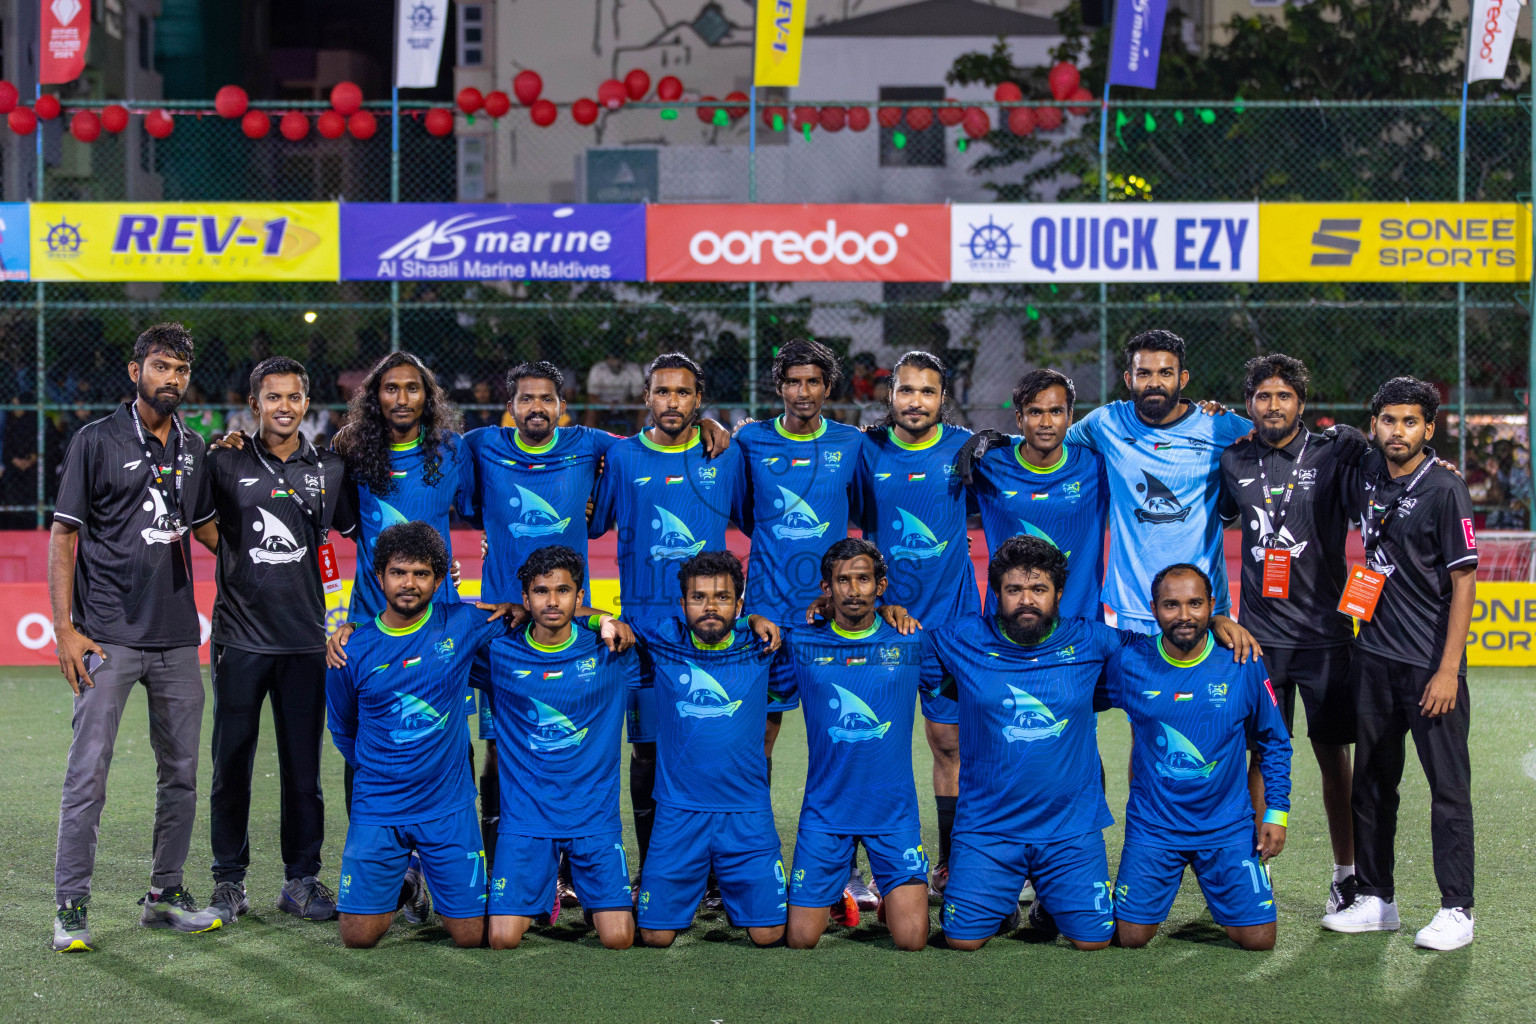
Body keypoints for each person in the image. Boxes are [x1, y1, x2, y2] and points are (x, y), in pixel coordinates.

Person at [918, 537, 1259, 951]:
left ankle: (1049, 902)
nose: (1027, 600)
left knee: (1093, 941)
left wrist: (1219, 621)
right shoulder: (959, 640)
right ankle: (1000, 903)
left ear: (1058, 594)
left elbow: (1162, 648)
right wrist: (886, 611)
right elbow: (890, 647)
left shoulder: (1094, 641)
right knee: (962, 941)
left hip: (1070, 828)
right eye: (1014, 590)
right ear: (996, 593)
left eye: (1039, 589)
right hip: (988, 826)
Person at [50, 322, 223, 952]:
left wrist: (274, 552)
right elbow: (64, 535)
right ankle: (71, 906)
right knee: (87, 774)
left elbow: (205, 529)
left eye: (180, 368)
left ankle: (164, 894)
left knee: (180, 773)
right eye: (160, 366)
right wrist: (65, 629)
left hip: (179, 637)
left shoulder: (195, 446)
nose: (171, 377)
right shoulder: (96, 441)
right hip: (106, 638)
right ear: (135, 372)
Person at [194, 356, 352, 924]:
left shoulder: (331, 467)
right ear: (255, 403)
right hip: (240, 639)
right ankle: (229, 882)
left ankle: (301, 880)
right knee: (230, 763)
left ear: (306, 404)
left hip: (306, 641)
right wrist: (236, 557)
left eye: (292, 397)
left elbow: (358, 528)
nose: (283, 407)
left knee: (303, 770)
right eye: (272, 397)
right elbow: (201, 523)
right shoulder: (226, 458)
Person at [1322, 377, 1478, 951]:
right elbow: (1305, 434)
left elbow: (1465, 582)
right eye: (1388, 420)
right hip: (1374, 658)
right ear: (1375, 424)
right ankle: (1376, 899)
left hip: (1429, 668)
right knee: (1372, 784)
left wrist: (1447, 669)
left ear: (1429, 429)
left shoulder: (1444, 489)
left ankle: (1457, 909)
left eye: (1410, 422)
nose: (1398, 431)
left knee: (1448, 790)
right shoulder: (1364, 470)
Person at [1217, 354, 1369, 916]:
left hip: (1328, 636)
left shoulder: (1334, 454)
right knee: (1259, 755)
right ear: (1250, 403)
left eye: (1284, 396)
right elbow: (1223, 518)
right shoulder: (1233, 459)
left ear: (1300, 402)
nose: (1273, 405)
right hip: (1259, 643)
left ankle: (1347, 875)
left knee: (1335, 758)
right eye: (1263, 396)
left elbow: (1378, 493)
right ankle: (1249, 870)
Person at [588, 354, 746, 884]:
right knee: (649, 753)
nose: (672, 402)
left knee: (708, 747)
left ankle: (717, 873)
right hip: (645, 635)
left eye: (683, 393)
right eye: (661, 392)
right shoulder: (624, 457)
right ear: (646, 397)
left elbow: (756, 520)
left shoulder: (725, 455)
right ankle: (656, 869)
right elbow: (591, 526)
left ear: (699, 399)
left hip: (711, 632)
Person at [324, 522, 505, 949]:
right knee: (357, 937)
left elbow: (538, 615)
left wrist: (603, 620)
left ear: (439, 580)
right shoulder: (352, 648)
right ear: (379, 576)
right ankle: (409, 883)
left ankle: (431, 876)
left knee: (472, 935)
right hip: (379, 806)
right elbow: (342, 727)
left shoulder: (461, 622)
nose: (409, 583)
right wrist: (381, 769)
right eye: (399, 572)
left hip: (447, 805)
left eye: (422, 574)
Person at [1104, 564, 1292, 951]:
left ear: (1212, 607)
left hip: (1226, 826)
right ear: (1154, 608)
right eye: (1171, 605)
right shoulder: (1128, 663)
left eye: (1195, 604)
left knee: (1258, 940)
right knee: (1130, 937)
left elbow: (1274, 741)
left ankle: (1237, 888)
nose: (1184, 615)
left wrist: (1276, 813)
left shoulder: (1243, 661)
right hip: (1154, 826)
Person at [849, 351, 977, 905]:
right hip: (883, 631)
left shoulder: (968, 449)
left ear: (942, 398)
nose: (916, 402)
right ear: (891, 396)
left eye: (927, 391)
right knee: (870, 746)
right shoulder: (867, 449)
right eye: (906, 391)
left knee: (949, 744)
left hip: (950, 629)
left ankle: (951, 863)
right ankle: (858, 870)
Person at [479, 545, 640, 950]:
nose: (552, 601)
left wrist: (606, 619)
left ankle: (590, 896)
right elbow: (433, 633)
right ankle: (542, 888)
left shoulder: (612, 651)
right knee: (501, 940)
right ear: (525, 598)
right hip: (527, 821)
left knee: (619, 939)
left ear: (579, 597)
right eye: (541, 591)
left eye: (563, 591)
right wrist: (356, 629)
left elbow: (690, 635)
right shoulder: (499, 652)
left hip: (593, 820)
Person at [632, 551, 788, 948]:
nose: (709, 607)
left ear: (738, 605)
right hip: (679, 812)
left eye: (721, 598)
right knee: (655, 936)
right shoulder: (662, 639)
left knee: (769, 934)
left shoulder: (762, 645)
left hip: (746, 812)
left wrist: (755, 620)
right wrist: (600, 619)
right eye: (698, 598)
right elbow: (593, 619)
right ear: (683, 604)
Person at [778, 540, 929, 951]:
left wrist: (888, 613)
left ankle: (885, 894)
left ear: (881, 586)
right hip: (826, 813)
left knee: (913, 940)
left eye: (863, 579)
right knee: (800, 939)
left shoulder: (912, 641)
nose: (853, 590)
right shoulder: (802, 644)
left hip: (892, 814)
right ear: (826, 589)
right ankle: (838, 890)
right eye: (842, 581)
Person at [1061, 330, 1253, 634]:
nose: (1155, 383)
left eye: (1166, 373)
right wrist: (997, 443)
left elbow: (1276, 440)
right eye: (1144, 373)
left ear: (1183, 378)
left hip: (1203, 605)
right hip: (1134, 605)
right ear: (1128, 379)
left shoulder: (1219, 424)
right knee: (1140, 683)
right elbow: (1048, 442)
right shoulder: (1106, 422)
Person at [734, 339, 867, 775]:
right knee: (761, 731)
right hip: (768, 611)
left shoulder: (851, 443)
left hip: (831, 614)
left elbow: (871, 509)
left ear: (828, 387)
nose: (803, 392)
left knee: (836, 726)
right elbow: (743, 512)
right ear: (779, 386)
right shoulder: (751, 439)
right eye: (793, 382)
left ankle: (835, 829)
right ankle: (753, 827)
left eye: (813, 382)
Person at [961, 368, 1110, 622]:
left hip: (1079, 630)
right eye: (1035, 412)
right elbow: (938, 504)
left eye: (1055, 411)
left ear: (1070, 416)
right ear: (1020, 418)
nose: (1046, 423)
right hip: (1007, 627)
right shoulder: (989, 466)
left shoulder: (1098, 467)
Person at [584, 350, 645, 433]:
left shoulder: (633, 369)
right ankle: (591, 441)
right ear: (607, 359)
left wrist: (630, 403)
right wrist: (606, 405)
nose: (615, 362)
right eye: (611, 359)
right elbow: (592, 396)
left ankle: (639, 440)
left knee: (643, 407)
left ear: (623, 358)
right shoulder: (598, 369)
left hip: (626, 404)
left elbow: (639, 396)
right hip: (603, 405)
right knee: (590, 408)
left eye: (617, 358)